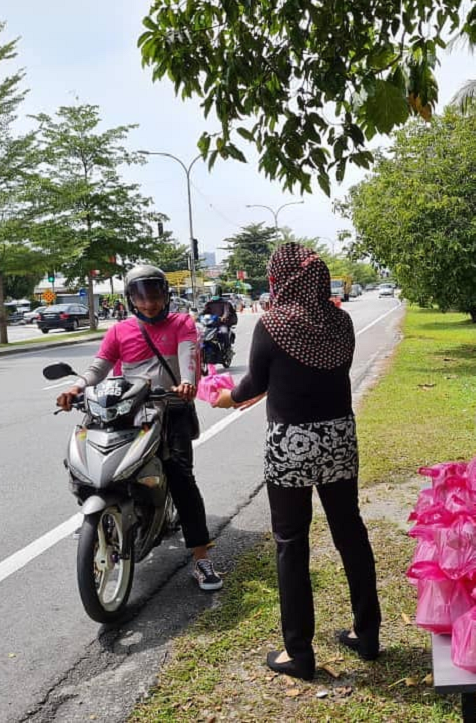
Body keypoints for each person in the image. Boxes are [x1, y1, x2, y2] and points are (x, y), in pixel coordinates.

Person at [213, 243, 381, 680]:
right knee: (350, 530)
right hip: (340, 436)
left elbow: (254, 383)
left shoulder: (272, 323)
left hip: (293, 444)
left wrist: (227, 397)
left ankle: (299, 653)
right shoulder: (340, 320)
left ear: (280, 277)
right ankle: (368, 633)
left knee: (291, 542)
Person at [56, 264, 222, 592]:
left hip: (170, 408)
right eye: (142, 297)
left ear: (165, 294)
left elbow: (189, 356)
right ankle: (103, 515)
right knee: (90, 464)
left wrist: (188, 383)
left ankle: (201, 557)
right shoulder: (120, 331)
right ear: (131, 298)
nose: (150, 303)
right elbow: (100, 365)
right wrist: (76, 388)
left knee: (181, 479)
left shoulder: (181, 323)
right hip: (128, 409)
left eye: (155, 295)